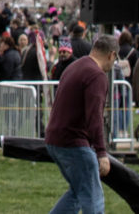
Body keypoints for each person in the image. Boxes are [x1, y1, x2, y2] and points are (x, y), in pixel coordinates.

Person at [44, 34, 115, 214]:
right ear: (111, 55)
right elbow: (95, 116)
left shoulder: (75, 66)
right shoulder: (96, 75)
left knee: (77, 192)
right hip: (73, 143)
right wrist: (101, 152)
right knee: (93, 197)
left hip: (54, 139)